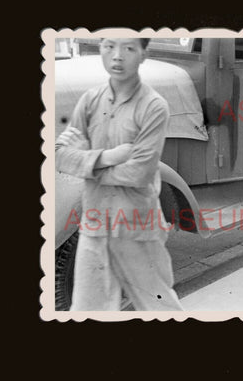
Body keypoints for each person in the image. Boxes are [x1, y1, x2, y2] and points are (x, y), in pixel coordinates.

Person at [55, 38, 184, 311]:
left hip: (137, 230)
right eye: (109, 46)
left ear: (143, 54)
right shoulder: (89, 101)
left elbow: (139, 172)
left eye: (128, 48)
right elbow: (60, 155)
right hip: (93, 228)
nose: (117, 57)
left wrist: (86, 164)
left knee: (159, 307)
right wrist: (110, 157)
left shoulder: (153, 106)